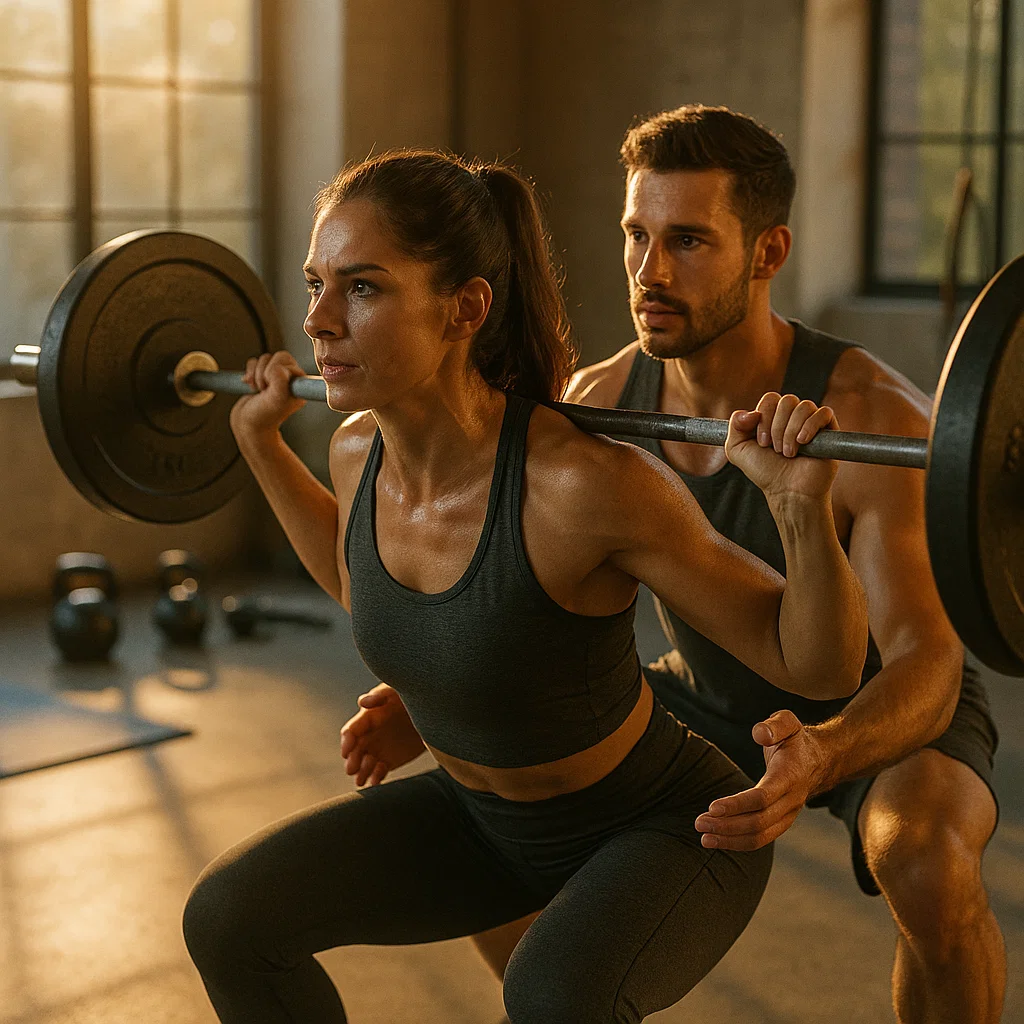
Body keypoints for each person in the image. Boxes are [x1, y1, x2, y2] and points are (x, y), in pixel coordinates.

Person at [339, 109, 1004, 1024]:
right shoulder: (598, 404)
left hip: (875, 706)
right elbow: (524, 589)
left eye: (687, 240)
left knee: (924, 859)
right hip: (706, 689)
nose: (649, 272)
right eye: (636, 236)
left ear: (768, 253)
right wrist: (443, 696)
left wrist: (824, 756)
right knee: (501, 839)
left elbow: (926, 661)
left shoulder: (871, 419)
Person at [181, 148, 869, 1024]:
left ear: (465, 308)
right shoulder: (355, 450)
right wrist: (262, 446)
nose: (316, 320)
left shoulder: (584, 484)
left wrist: (799, 507)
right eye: (315, 282)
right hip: (482, 823)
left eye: (362, 288)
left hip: (663, 827)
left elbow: (819, 665)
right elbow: (371, 589)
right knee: (232, 918)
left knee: (552, 1000)